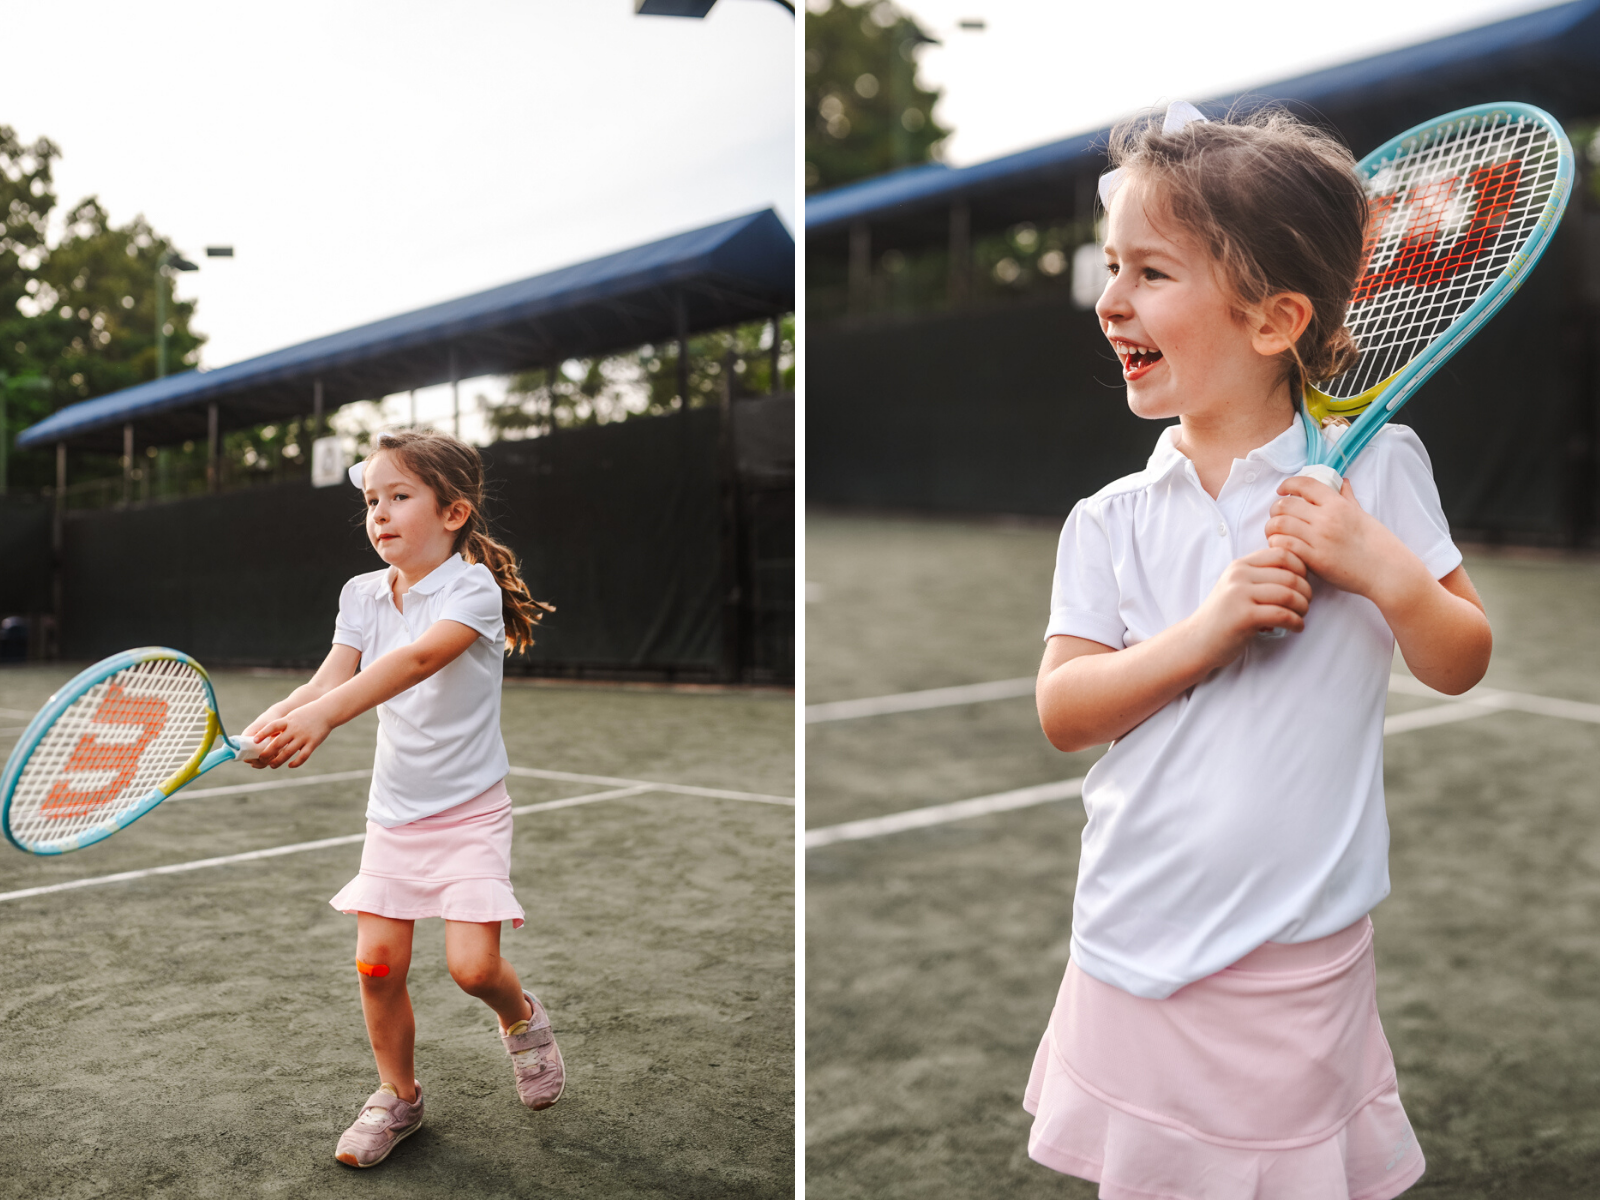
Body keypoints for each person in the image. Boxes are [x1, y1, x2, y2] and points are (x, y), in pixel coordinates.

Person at [1025, 104, 1492, 1198]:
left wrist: (1376, 565)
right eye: (1111, 268)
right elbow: (1064, 712)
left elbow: (1461, 654)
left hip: (1297, 962)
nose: (1112, 302)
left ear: (1274, 317)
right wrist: (1209, 630)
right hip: (1132, 942)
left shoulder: (1376, 474)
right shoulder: (1108, 519)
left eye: (1150, 272)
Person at [242, 429, 561, 1168]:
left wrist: (323, 718)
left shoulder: (472, 588)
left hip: (471, 810)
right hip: (394, 815)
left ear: (452, 513)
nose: (379, 514)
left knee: (474, 970)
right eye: (370, 502)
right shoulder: (360, 593)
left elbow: (416, 661)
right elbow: (328, 678)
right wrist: (282, 717)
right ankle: (398, 1097)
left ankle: (522, 1019)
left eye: (398, 497)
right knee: (377, 966)